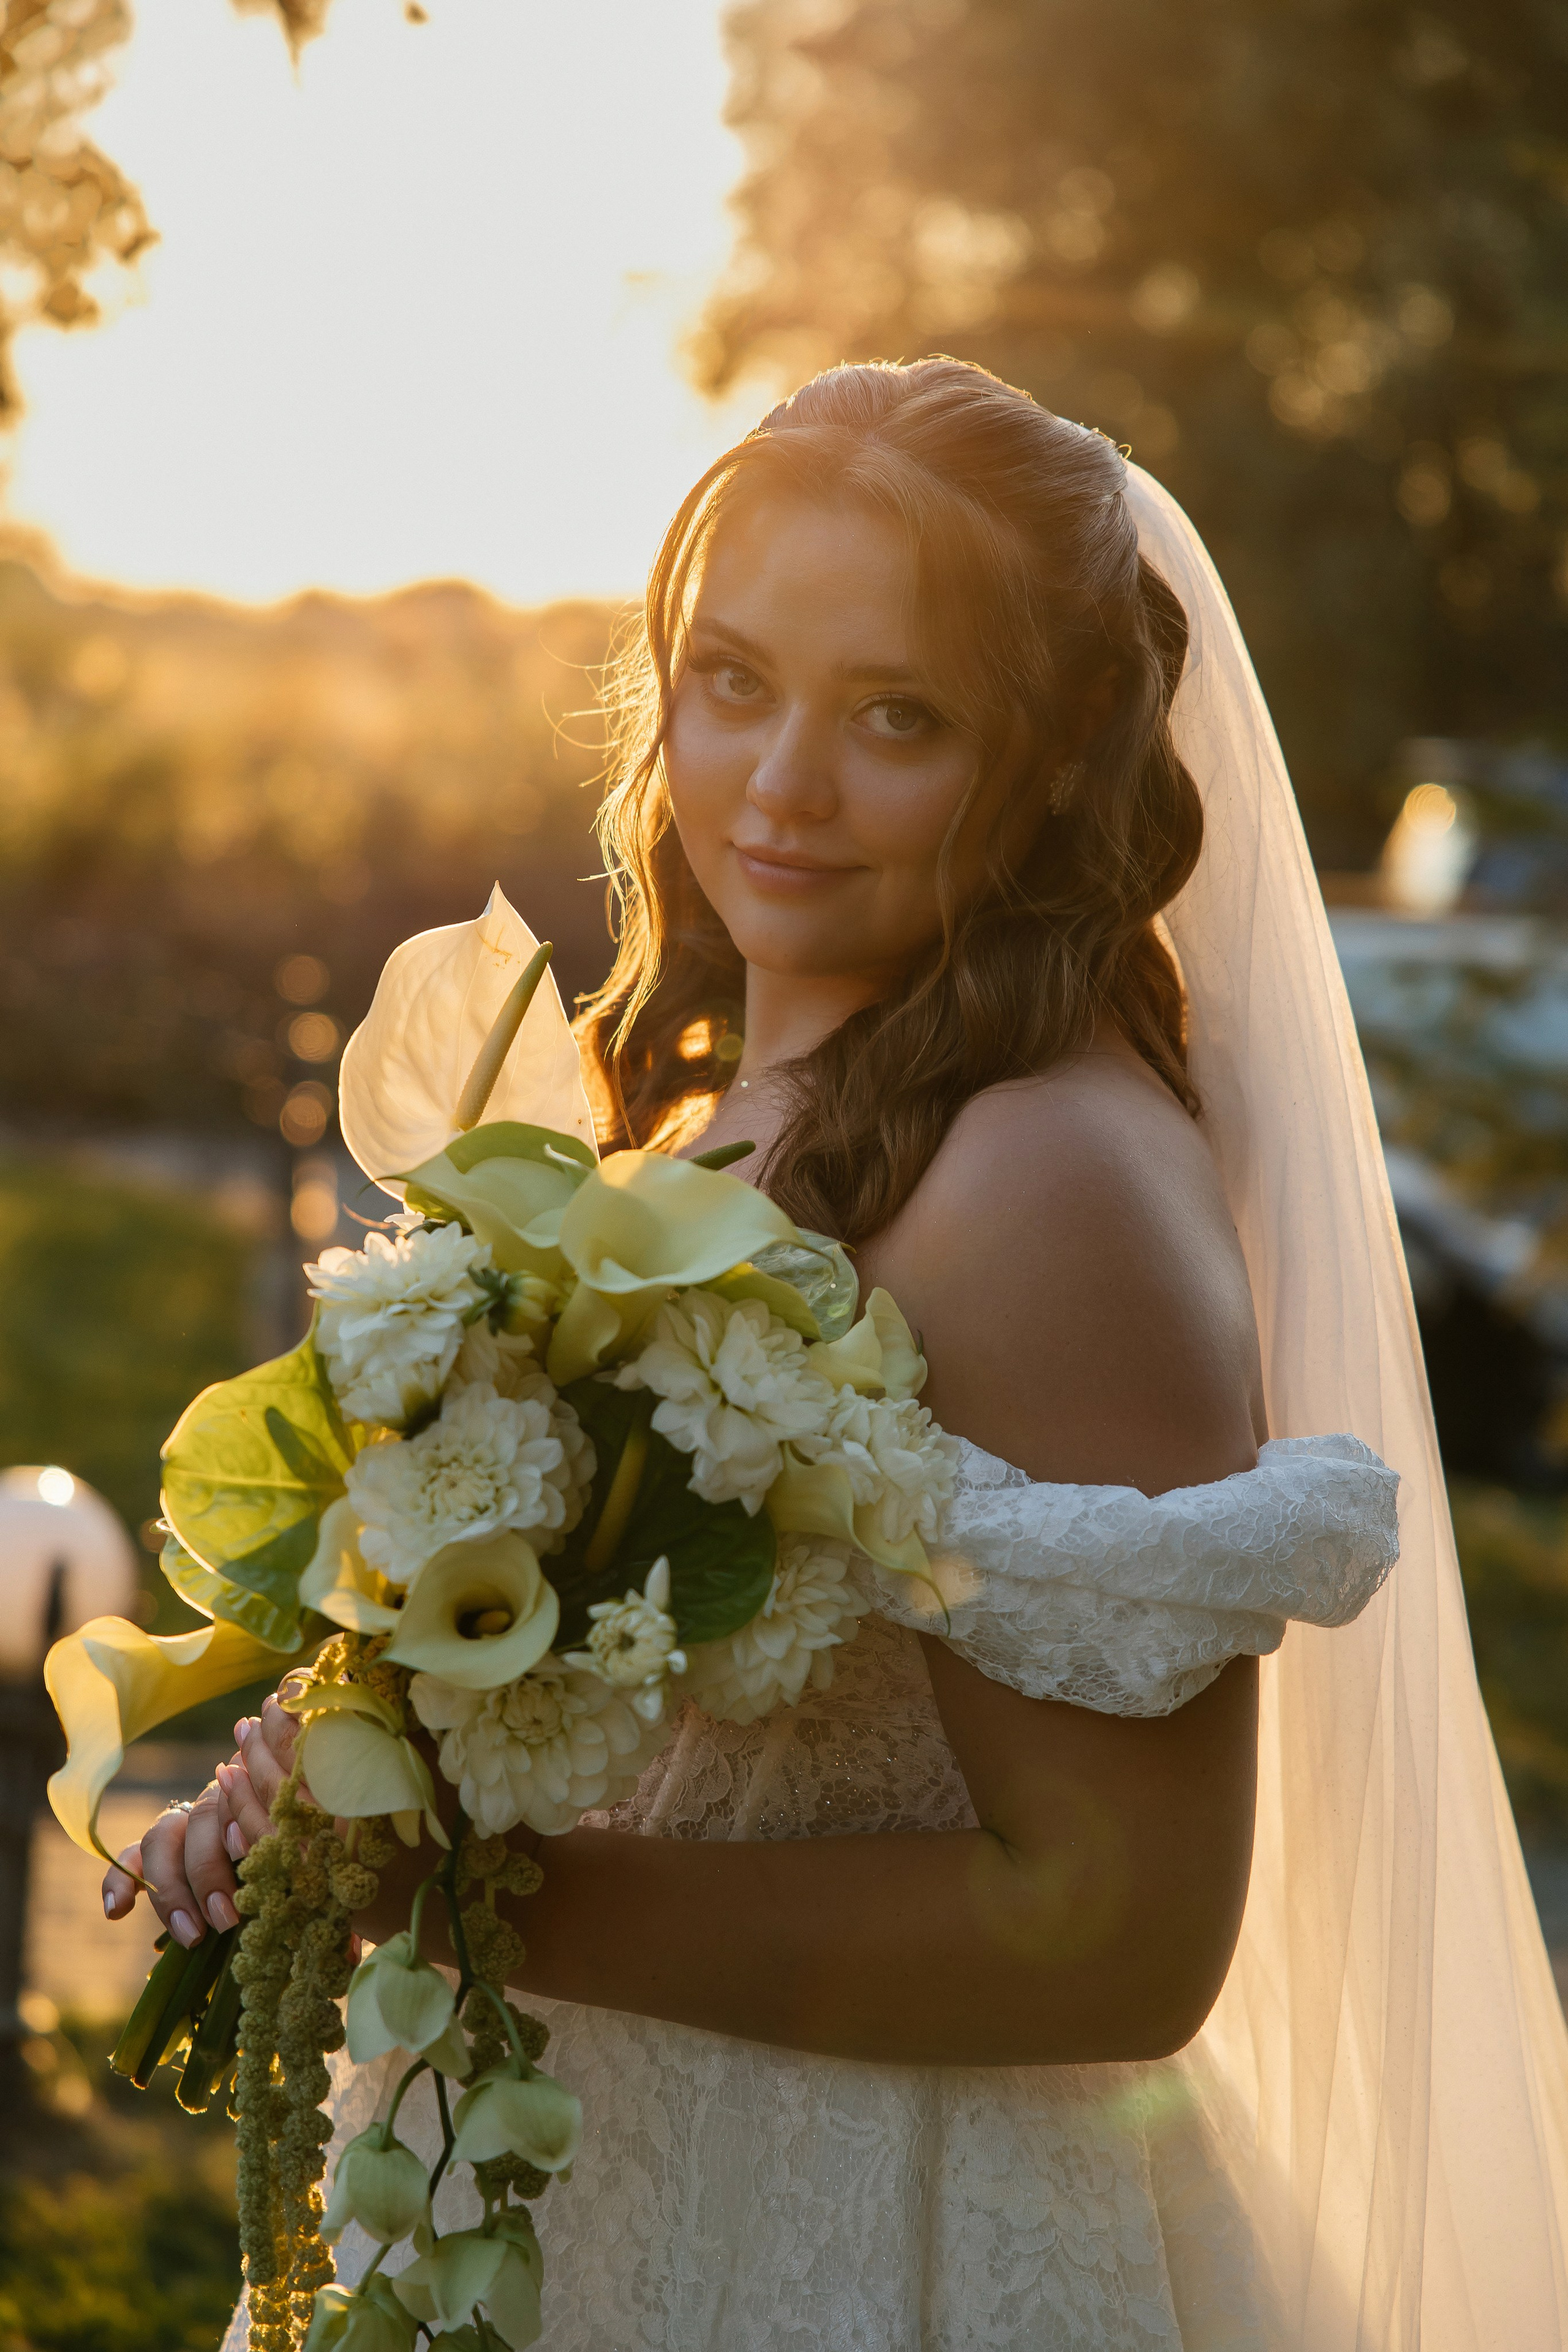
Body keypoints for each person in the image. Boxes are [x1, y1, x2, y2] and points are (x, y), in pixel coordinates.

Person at [105, 361, 1568, 2348]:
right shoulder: (708, 1111)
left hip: (863, 2238)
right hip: (591, 2183)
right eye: (734, 681)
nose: (782, 783)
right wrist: (352, 1765)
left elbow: (1116, 1940)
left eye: (898, 715)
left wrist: (456, 1892)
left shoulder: (1046, 1179)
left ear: (1060, 753)